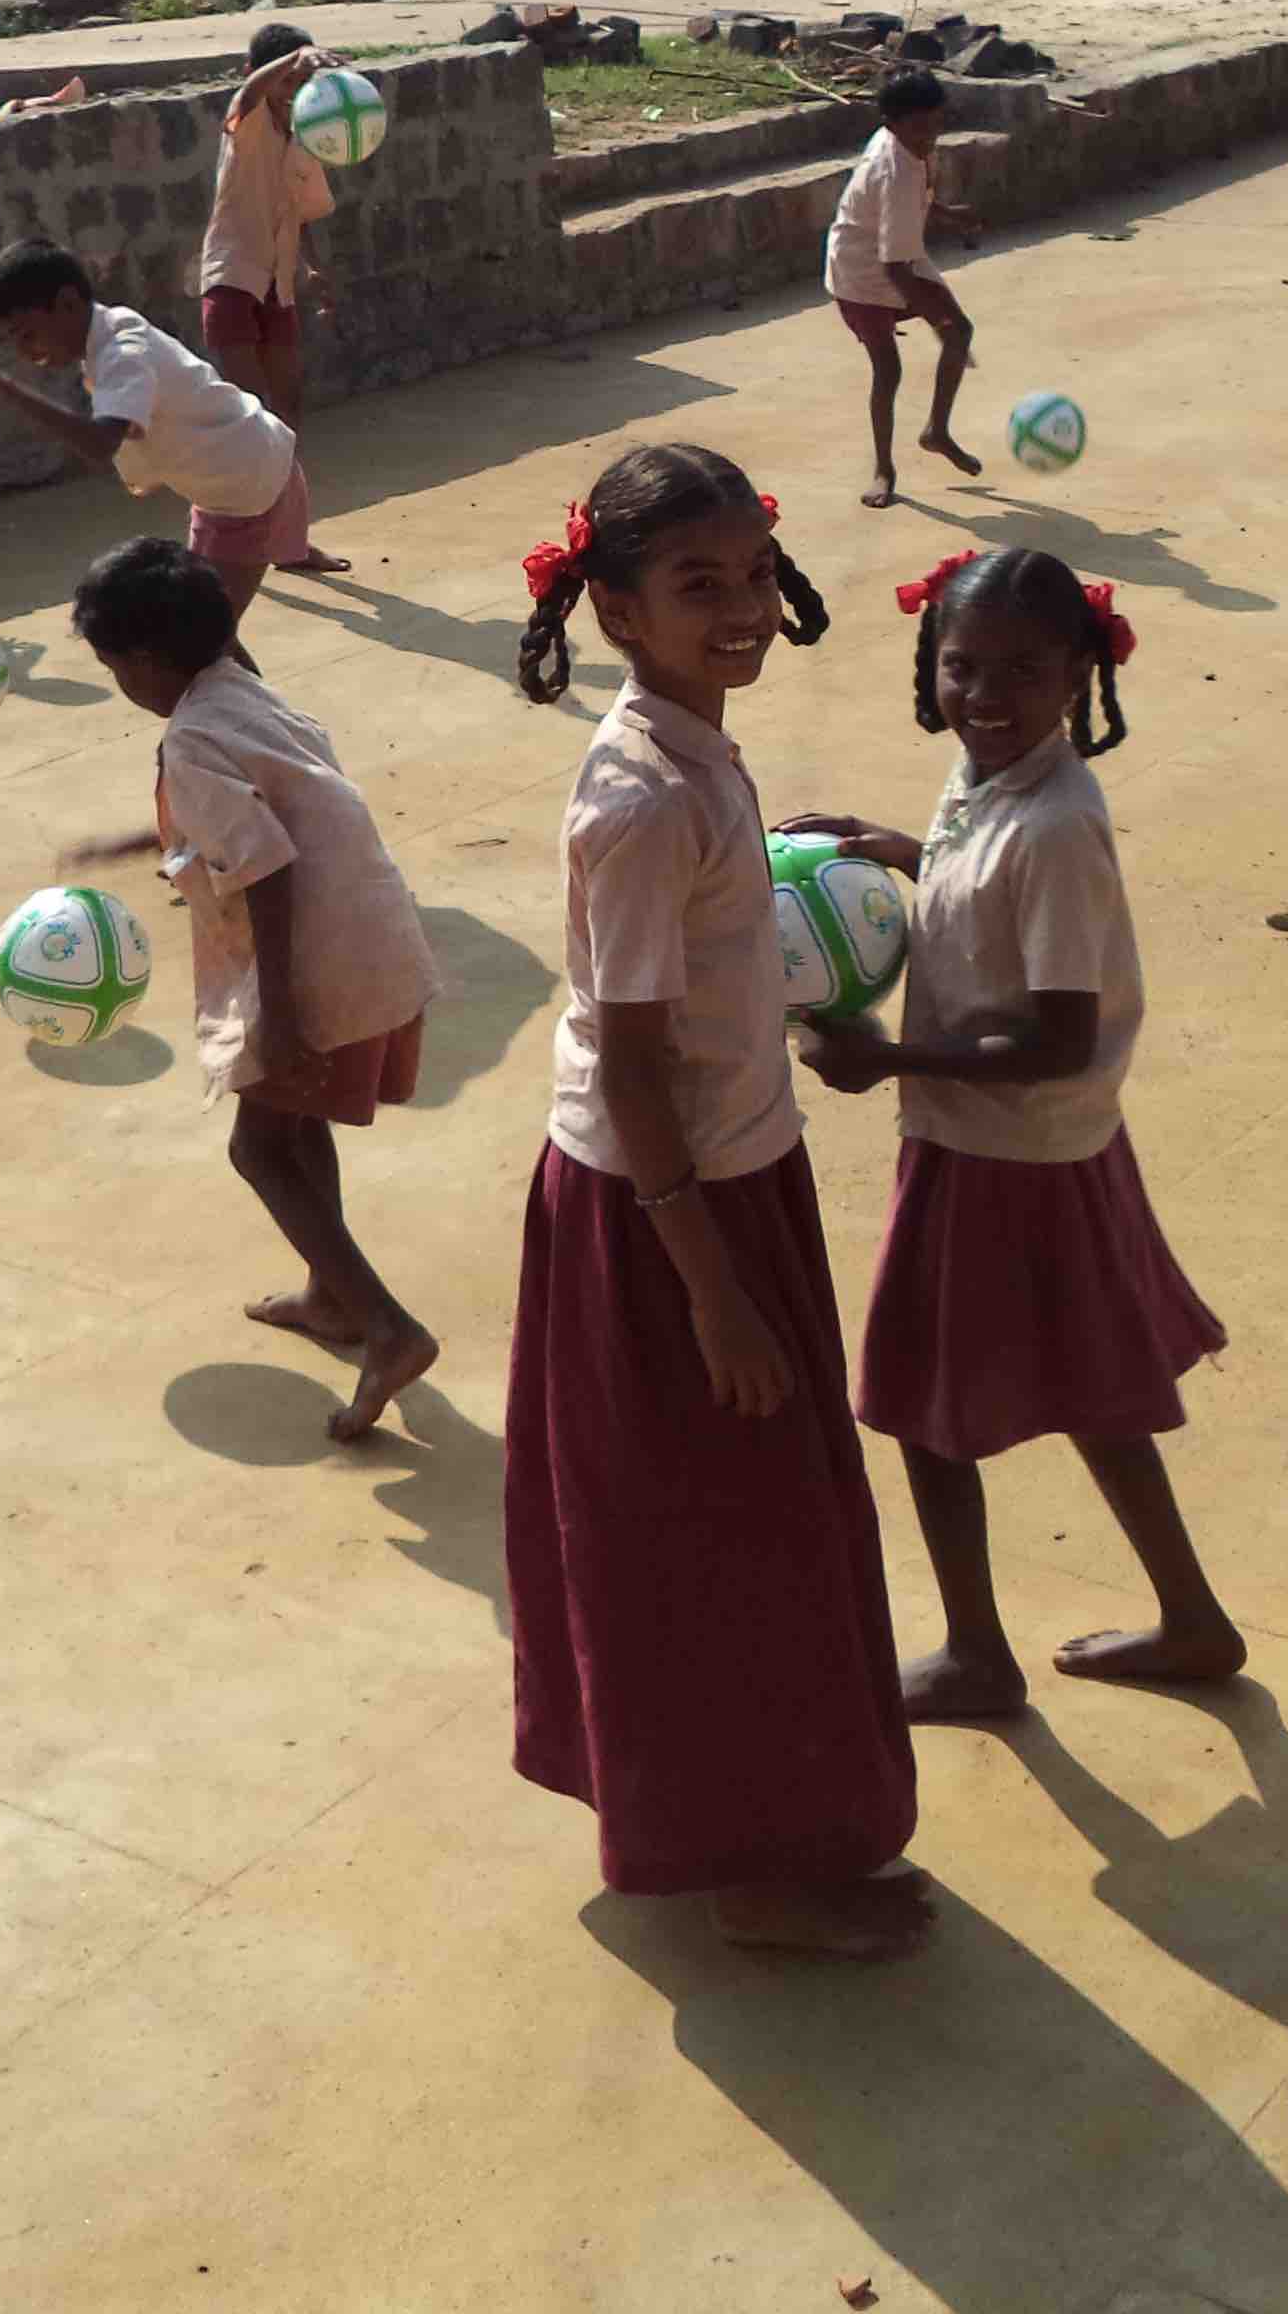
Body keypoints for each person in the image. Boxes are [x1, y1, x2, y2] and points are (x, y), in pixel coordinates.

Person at [501, 443, 926, 1958]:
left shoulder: (692, 752)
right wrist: (716, 1294)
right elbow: (630, 1067)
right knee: (721, 1545)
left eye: (754, 572)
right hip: (665, 1216)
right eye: (699, 585)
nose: (742, 607)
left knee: (762, 1523)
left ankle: (763, 1829)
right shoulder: (639, 799)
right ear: (616, 611)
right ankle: (745, 1868)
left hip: (732, 1180)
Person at [785, 546, 1239, 1720]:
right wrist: (907, 851)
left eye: (1023, 672)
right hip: (1026, 1146)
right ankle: (1192, 1617)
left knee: (919, 1409)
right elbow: (984, 881)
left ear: (1080, 673)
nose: (985, 695)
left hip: (1003, 1154)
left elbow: (1059, 1038)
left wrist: (888, 1059)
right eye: (961, 666)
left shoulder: (1055, 826)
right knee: (1095, 1396)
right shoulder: (989, 776)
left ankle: (977, 1654)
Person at [64, 537, 438, 1440]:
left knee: (258, 1149)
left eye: (114, 666)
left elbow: (266, 864)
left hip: (316, 964)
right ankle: (330, 1295)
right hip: (372, 934)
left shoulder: (191, 740)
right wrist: (143, 840)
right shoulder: (243, 689)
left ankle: (389, 1328)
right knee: (295, 1125)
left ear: (144, 660)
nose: (120, 682)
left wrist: (280, 1012)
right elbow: (271, 803)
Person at [0, 240, 308, 619]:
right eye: (12, 340)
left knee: (203, 634)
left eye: (26, 334)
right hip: (237, 476)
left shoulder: (123, 351)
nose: (23, 352)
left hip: (248, 484)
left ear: (67, 303)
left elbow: (100, 445)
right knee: (200, 630)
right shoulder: (108, 336)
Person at [197, 25, 350, 576]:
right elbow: (250, 93)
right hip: (232, 281)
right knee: (249, 419)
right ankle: (216, 538)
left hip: (276, 285)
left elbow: (299, 212)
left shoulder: (305, 132)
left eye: (302, 81)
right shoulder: (249, 120)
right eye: (288, 79)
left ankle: (289, 544)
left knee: (285, 415)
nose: (294, 89)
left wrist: (313, 268)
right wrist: (292, 60)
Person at [827, 69, 986, 507]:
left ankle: (936, 432)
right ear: (893, 123)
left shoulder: (914, 145)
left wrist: (949, 214)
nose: (930, 136)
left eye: (937, 122)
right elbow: (893, 269)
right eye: (920, 126)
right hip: (859, 273)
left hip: (900, 255)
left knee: (960, 332)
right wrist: (936, 320)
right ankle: (884, 469)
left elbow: (917, 203)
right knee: (888, 369)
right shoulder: (892, 171)